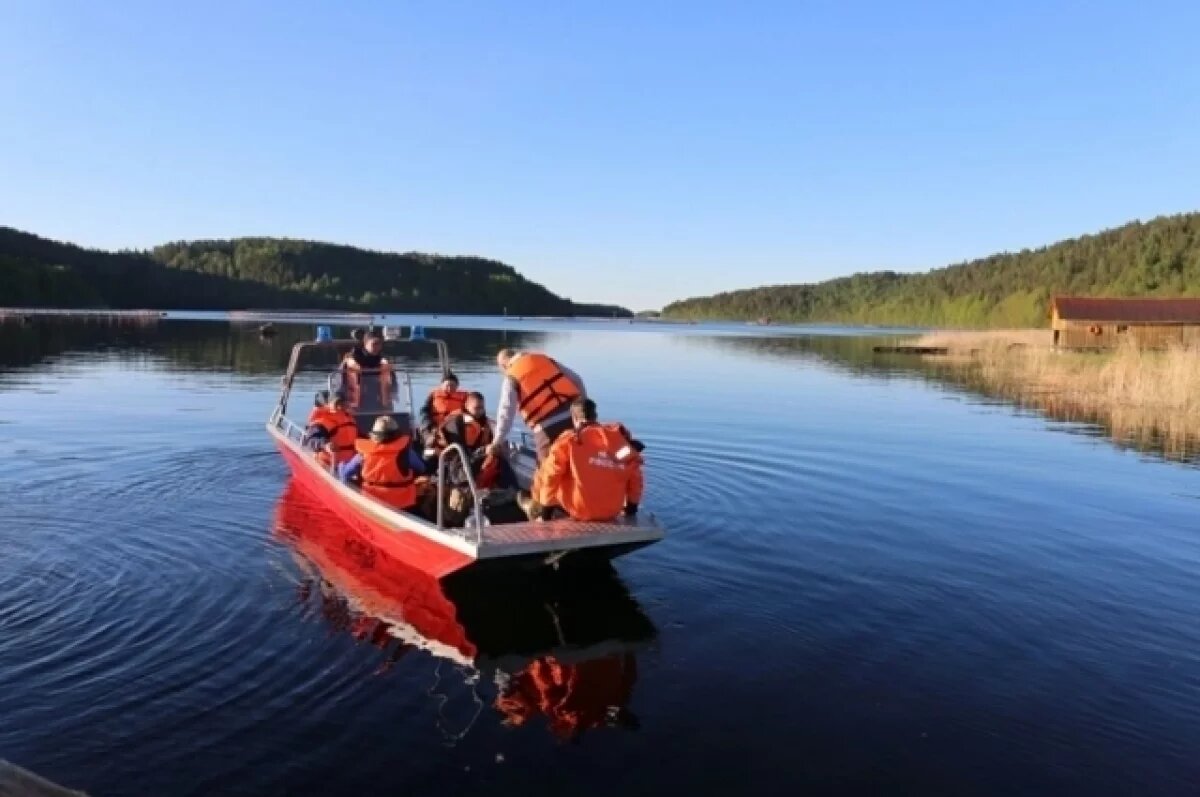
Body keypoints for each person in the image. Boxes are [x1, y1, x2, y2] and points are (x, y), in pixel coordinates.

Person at [521, 398, 643, 522]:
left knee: (545, 470)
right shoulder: (619, 442)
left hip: (578, 509)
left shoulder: (568, 441)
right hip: (612, 510)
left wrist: (546, 515)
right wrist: (631, 509)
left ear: (574, 418)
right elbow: (636, 477)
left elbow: (551, 476)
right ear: (595, 417)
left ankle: (536, 509)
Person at [487, 348, 586, 462]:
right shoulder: (545, 359)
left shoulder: (511, 377)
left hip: (547, 428)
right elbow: (577, 379)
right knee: (578, 460)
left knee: (546, 471)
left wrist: (496, 442)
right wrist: (583, 411)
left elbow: (506, 412)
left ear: (503, 366)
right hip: (573, 419)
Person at [338, 415, 425, 511]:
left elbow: (344, 474)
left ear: (374, 435)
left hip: (372, 504)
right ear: (397, 435)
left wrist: (341, 465)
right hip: (404, 506)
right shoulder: (407, 453)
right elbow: (422, 468)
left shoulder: (362, 454)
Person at [342, 332, 395, 411]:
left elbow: (393, 384)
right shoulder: (351, 362)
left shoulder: (384, 362)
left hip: (380, 405)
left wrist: (392, 398)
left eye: (380, 344)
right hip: (355, 406)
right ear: (365, 344)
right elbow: (339, 383)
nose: (377, 347)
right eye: (374, 344)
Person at [304, 391, 358, 466]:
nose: (340, 406)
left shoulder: (349, 418)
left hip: (349, 463)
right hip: (329, 462)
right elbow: (312, 440)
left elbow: (354, 435)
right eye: (337, 403)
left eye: (343, 403)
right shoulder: (323, 421)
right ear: (330, 404)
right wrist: (326, 445)